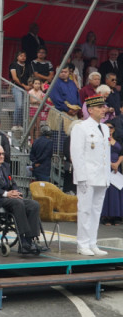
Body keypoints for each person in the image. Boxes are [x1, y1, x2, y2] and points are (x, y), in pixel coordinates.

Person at [71, 95, 111, 256]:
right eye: (100, 107)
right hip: (87, 176)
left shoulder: (105, 128)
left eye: (104, 107)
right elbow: (77, 153)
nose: (104, 110)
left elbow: (105, 154)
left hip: (102, 175)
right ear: (91, 109)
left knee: (96, 211)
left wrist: (107, 176)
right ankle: (82, 244)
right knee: (85, 210)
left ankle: (92, 242)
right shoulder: (81, 127)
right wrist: (81, 177)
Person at [0, 143, 42, 255]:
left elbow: (12, 183)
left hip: (10, 198)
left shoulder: (5, 166)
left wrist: (17, 192)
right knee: (17, 203)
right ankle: (22, 240)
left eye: (3, 154)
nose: (2, 156)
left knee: (34, 204)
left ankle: (30, 239)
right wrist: (6, 193)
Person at [101, 121, 123, 225]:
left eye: (111, 127)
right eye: (107, 127)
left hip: (116, 168)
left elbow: (121, 153)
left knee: (116, 191)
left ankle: (116, 216)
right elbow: (99, 153)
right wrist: (110, 163)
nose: (109, 129)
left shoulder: (118, 140)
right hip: (105, 167)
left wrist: (117, 164)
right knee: (107, 192)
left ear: (114, 129)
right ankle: (106, 216)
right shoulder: (100, 140)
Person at [9, 50, 32, 128]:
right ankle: (15, 124)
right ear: (17, 57)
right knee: (19, 105)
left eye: (24, 56)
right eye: (21, 56)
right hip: (17, 87)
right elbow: (15, 78)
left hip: (26, 88)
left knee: (24, 106)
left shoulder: (28, 65)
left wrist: (29, 86)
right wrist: (24, 86)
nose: (23, 57)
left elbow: (31, 77)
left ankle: (21, 125)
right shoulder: (13, 65)